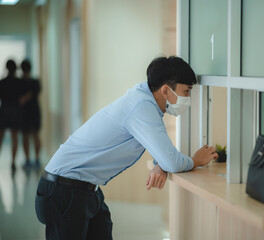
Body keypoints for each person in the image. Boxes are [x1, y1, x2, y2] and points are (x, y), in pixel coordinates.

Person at [35, 56, 218, 240]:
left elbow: (161, 150)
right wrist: (197, 160)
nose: (188, 98)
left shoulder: (144, 101)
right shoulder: (141, 107)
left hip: (85, 189)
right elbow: (171, 160)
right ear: (165, 90)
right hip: (64, 191)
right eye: (186, 91)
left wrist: (160, 164)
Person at [0, 59, 27, 170]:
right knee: (14, 137)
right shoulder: (20, 82)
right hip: (15, 111)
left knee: (0, 137)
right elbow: (22, 99)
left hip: (4, 111)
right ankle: (13, 162)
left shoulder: (2, 82)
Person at [20, 59, 42, 168]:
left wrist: (25, 98)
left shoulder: (20, 83)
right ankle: (36, 159)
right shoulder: (35, 82)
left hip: (25, 113)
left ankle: (28, 160)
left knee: (27, 136)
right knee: (35, 135)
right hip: (34, 112)